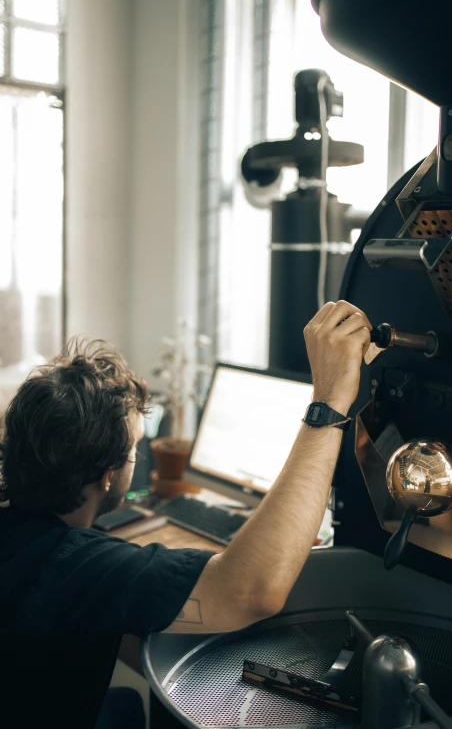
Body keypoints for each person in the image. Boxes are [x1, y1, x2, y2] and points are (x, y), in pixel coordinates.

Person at [0, 301, 371, 728]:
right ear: (106, 477)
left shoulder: (24, 536)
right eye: (134, 451)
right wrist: (330, 401)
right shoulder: (75, 565)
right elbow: (253, 592)